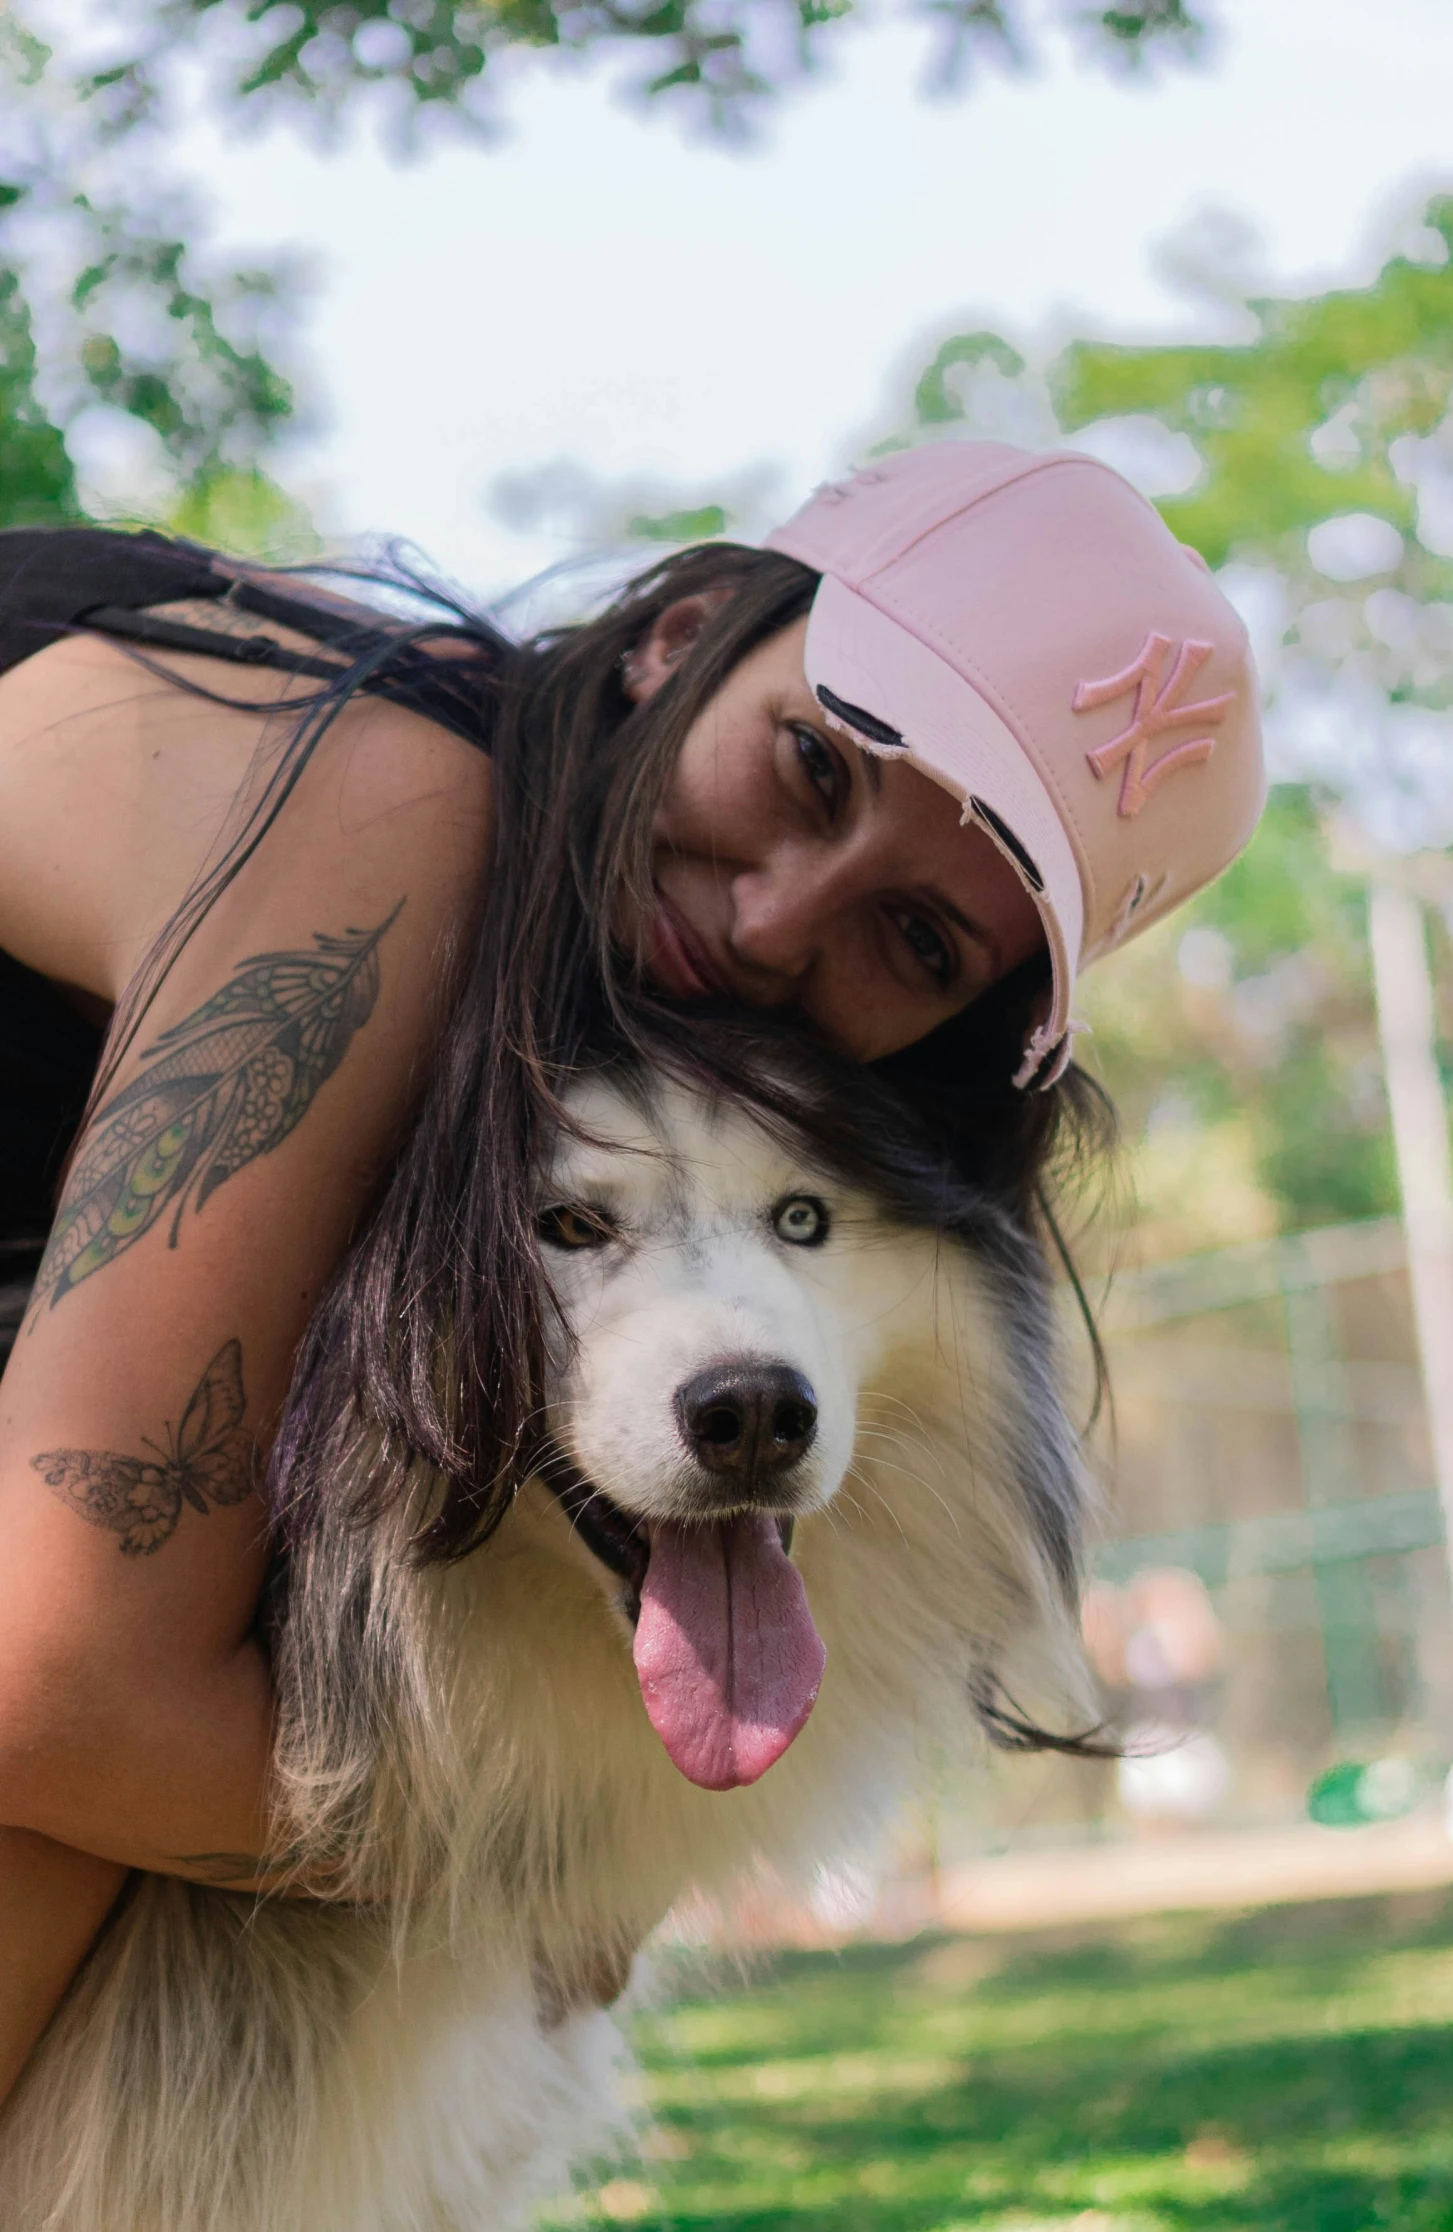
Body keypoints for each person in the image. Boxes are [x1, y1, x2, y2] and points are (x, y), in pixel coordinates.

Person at [0, 439, 1265, 2101]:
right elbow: (62, 1696)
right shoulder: (387, 823)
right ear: (684, 631)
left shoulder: (552, 975)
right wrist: (567, 1873)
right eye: (815, 767)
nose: (771, 924)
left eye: (917, 939)